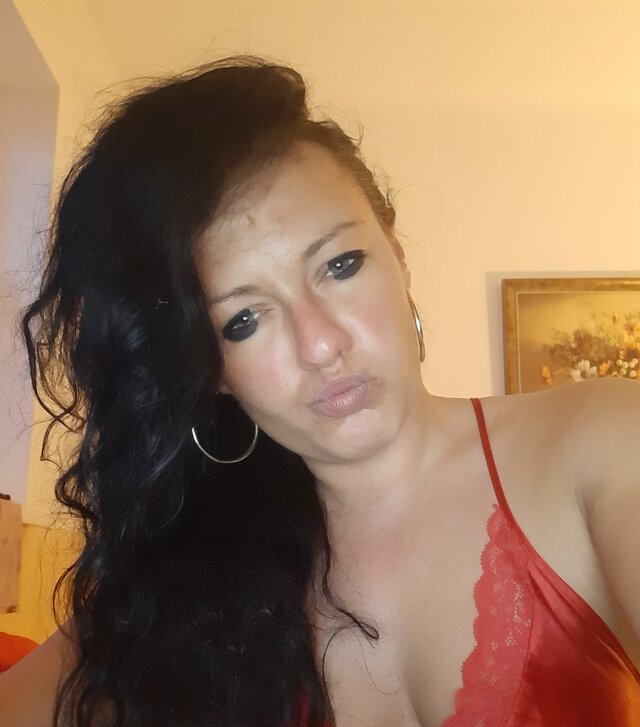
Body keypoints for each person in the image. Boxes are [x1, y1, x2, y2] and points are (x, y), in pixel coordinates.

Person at [0, 56, 639, 727]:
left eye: (340, 265)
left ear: (398, 257)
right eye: (243, 320)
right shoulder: (180, 584)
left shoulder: (598, 442)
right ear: (211, 368)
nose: (321, 344)